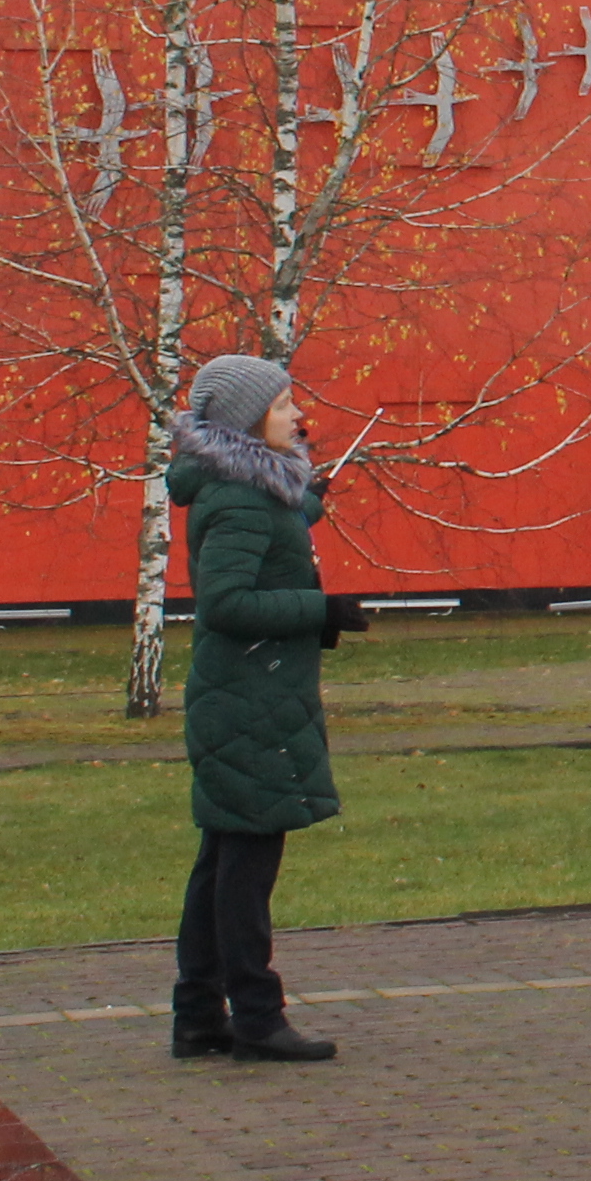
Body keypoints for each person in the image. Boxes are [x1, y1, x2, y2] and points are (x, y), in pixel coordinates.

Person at [168, 351, 365, 1065]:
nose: (297, 416)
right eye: (283, 407)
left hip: (247, 696)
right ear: (247, 421)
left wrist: (312, 495)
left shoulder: (244, 488)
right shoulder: (240, 498)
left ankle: (197, 1015)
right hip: (248, 702)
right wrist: (322, 608)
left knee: (222, 858)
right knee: (246, 868)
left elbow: (278, 518)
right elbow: (226, 602)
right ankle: (255, 1014)